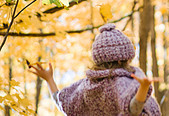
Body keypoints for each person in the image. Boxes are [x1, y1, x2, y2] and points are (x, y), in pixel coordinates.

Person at [29, 23, 161, 116]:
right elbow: (132, 110)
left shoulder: (86, 85)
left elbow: (64, 105)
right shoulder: (121, 82)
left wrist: (49, 80)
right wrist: (143, 88)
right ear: (123, 58)